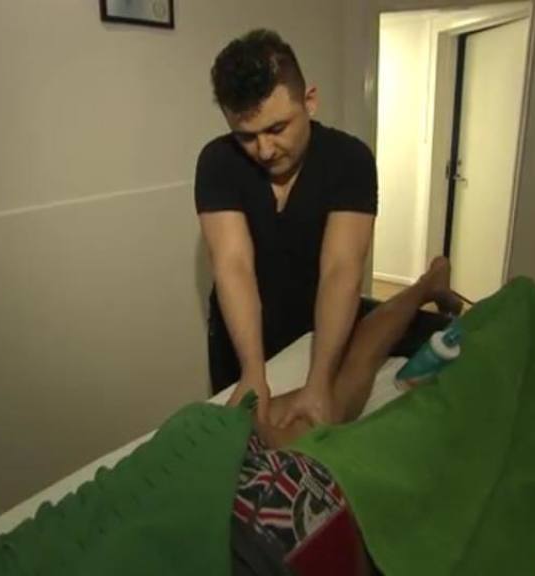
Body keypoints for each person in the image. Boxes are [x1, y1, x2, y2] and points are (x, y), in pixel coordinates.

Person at [196, 29, 409, 427]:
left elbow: (342, 268)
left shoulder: (350, 160)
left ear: (309, 101)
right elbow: (232, 265)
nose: (264, 150)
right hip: (239, 338)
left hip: (319, 333)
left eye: (277, 129)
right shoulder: (217, 162)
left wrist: (320, 379)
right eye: (246, 136)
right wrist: (253, 372)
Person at [230, 256, 462, 574]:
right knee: (346, 391)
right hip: (245, 487)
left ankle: (427, 284)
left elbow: (343, 265)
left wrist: (307, 380)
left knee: (338, 395)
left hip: (216, 456)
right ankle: (428, 284)